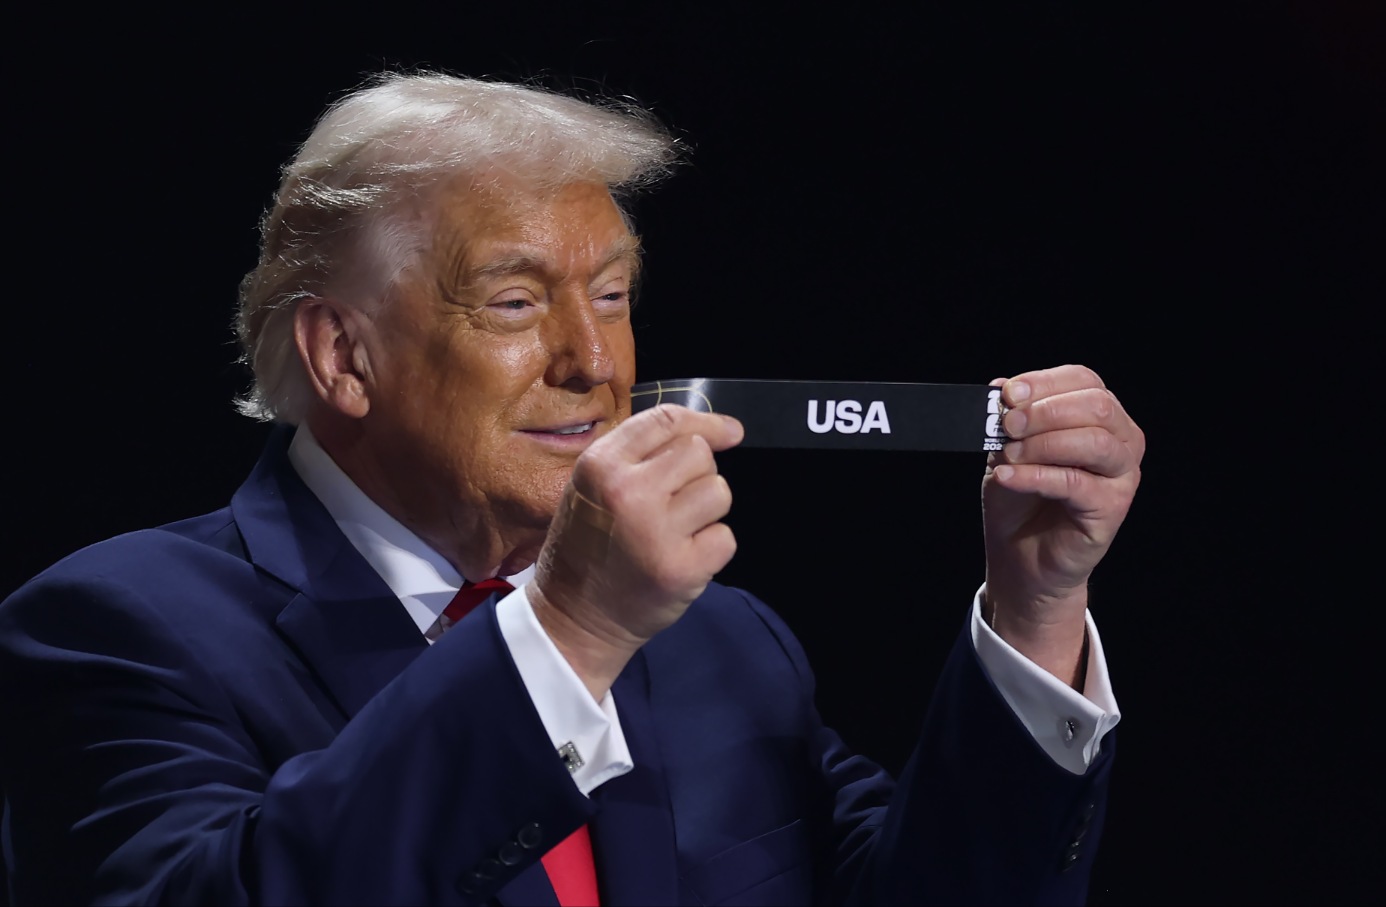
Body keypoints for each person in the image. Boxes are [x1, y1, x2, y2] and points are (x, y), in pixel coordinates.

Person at [0, 72, 1144, 905]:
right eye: (513, 301)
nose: (594, 365)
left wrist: (1035, 604)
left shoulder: (725, 646)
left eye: (609, 296)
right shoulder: (116, 630)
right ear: (342, 357)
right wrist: (574, 629)